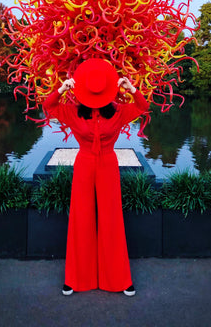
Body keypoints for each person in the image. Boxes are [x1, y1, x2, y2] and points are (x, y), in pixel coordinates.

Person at [43, 59, 149, 297]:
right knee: (81, 218)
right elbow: (48, 107)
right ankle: (75, 279)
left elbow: (142, 107)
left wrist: (131, 89)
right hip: (84, 165)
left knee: (112, 218)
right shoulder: (72, 112)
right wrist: (62, 89)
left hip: (108, 164)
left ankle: (120, 279)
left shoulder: (119, 112)